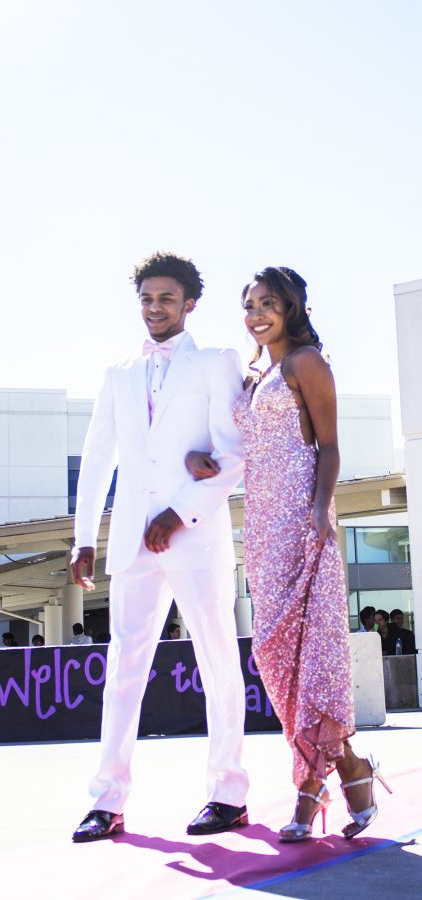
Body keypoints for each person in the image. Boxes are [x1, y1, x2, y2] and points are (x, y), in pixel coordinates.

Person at [186, 266, 391, 842]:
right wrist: (207, 460)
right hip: (263, 531)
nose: (257, 315)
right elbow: (248, 448)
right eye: (249, 305)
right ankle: (347, 767)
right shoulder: (256, 377)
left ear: (293, 307)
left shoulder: (306, 364)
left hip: (305, 525)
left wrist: (321, 511)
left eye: (268, 303)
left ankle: (311, 787)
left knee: (313, 657)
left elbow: (329, 446)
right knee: (278, 662)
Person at [70, 251, 248, 843]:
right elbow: (98, 459)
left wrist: (179, 510)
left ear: (189, 303)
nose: (155, 308)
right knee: (123, 668)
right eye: (147, 298)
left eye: (166, 298)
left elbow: (234, 456)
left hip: (194, 538)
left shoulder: (216, 363)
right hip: (131, 545)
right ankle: (107, 802)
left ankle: (228, 793)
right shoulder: (118, 373)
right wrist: (84, 538)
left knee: (217, 659)